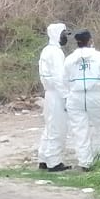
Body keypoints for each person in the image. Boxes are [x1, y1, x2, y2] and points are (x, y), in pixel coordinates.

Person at [64, 29, 100, 172]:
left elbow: (64, 80)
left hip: (76, 97)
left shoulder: (69, 59)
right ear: (90, 40)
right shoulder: (99, 56)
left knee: (80, 130)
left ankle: (85, 162)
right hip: (96, 96)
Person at [36, 22, 71, 172]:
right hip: (57, 94)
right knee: (58, 127)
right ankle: (54, 162)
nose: (65, 38)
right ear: (57, 34)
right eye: (64, 34)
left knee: (49, 127)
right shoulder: (56, 53)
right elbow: (59, 77)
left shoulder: (46, 50)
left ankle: (44, 158)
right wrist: (66, 96)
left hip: (49, 93)